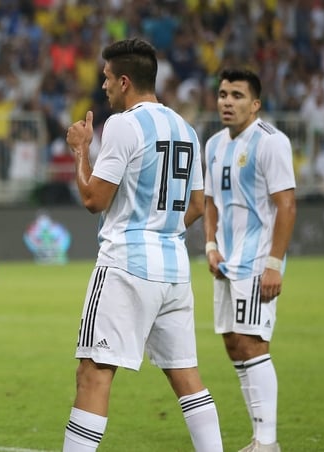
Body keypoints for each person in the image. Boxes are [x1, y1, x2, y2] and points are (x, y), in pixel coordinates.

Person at [61, 38, 223, 452]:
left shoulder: (123, 125)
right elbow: (199, 205)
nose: (104, 87)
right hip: (173, 271)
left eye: (107, 79)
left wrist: (81, 150)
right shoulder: (186, 129)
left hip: (125, 266)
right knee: (187, 377)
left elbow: (93, 200)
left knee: (93, 375)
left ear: (126, 81)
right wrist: (162, 227)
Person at [204, 68, 297, 452]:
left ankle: (267, 441)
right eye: (224, 94)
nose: (227, 101)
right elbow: (209, 201)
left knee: (254, 343)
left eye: (238, 95)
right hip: (225, 260)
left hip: (257, 260)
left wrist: (274, 263)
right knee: (233, 343)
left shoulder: (272, 142)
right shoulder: (212, 144)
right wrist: (209, 244)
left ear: (255, 104)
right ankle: (259, 436)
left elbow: (286, 204)